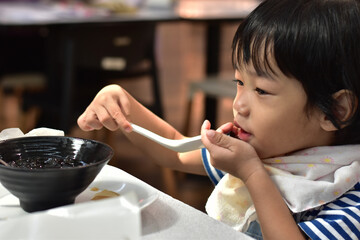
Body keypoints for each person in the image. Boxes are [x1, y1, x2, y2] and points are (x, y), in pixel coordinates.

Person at [77, 0, 360, 239]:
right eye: (239, 82)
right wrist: (123, 104)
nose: (238, 105)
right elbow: (175, 151)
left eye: (262, 90)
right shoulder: (265, 151)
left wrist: (251, 173)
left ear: (334, 111)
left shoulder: (348, 191)